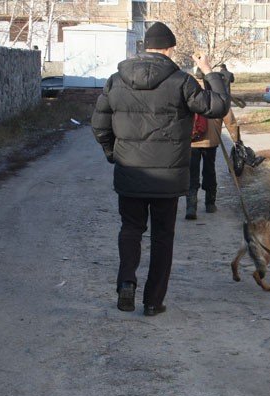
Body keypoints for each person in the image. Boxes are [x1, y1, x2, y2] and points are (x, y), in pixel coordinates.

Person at [91, 22, 230, 316]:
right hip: (168, 178)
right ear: (170, 48)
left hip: (130, 173)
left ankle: (127, 282)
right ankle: (153, 302)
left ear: (144, 47)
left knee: (130, 229)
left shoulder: (116, 80)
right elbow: (217, 107)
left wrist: (112, 153)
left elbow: (99, 124)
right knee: (162, 237)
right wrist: (209, 72)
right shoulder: (182, 81)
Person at [185, 69, 240, 220]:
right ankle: (210, 204)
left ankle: (191, 206)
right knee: (209, 171)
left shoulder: (192, 93)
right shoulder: (218, 95)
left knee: (192, 173)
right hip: (212, 141)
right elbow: (231, 121)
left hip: (192, 141)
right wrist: (236, 140)